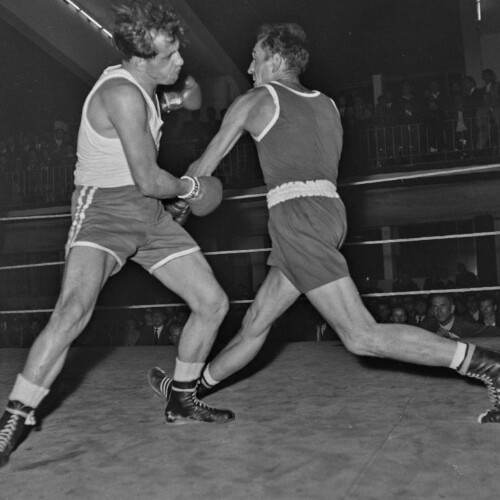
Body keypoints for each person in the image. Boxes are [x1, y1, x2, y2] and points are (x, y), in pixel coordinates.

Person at [149, 22, 500, 427]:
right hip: (328, 213)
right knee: (254, 324)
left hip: (298, 219)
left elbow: (202, 168)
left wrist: (178, 207)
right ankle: (184, 394)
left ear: (276, 61)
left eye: (256, 58)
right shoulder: (327, 103)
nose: (249, 67)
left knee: (360, 335)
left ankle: (487, 365)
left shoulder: (256, 100)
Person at [0, 1, 235, 469]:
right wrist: (192, 186)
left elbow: (174, 114)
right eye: (169, 55)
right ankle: (16, 415)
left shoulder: (147, 85)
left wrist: (172, 95)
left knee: (213, 304)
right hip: (104, 213)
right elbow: (149, 179)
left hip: (149, 216)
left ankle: (182, 398)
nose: (181, 61)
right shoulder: (123, 94)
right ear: (139, 59)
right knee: (72, 311)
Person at [419, 293, 500, 339]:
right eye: (435, 307)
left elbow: (492, 332)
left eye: (442, 306)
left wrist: (452, 337)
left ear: (452, 308)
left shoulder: (466, 325)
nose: (439, 311)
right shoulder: (428, 324)